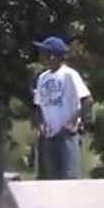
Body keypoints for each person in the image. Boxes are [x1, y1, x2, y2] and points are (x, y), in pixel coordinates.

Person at [32, 36, 92, 180]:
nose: (42, 57)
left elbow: (87, 100)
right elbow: (38, 105)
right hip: (49, 135)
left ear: (53, 56)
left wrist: (73, 122)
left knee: (69, 178)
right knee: (52, 180)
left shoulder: (69, 75)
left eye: (45, 54)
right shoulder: (43, 78)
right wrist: (40, 124)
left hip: (66, 136)